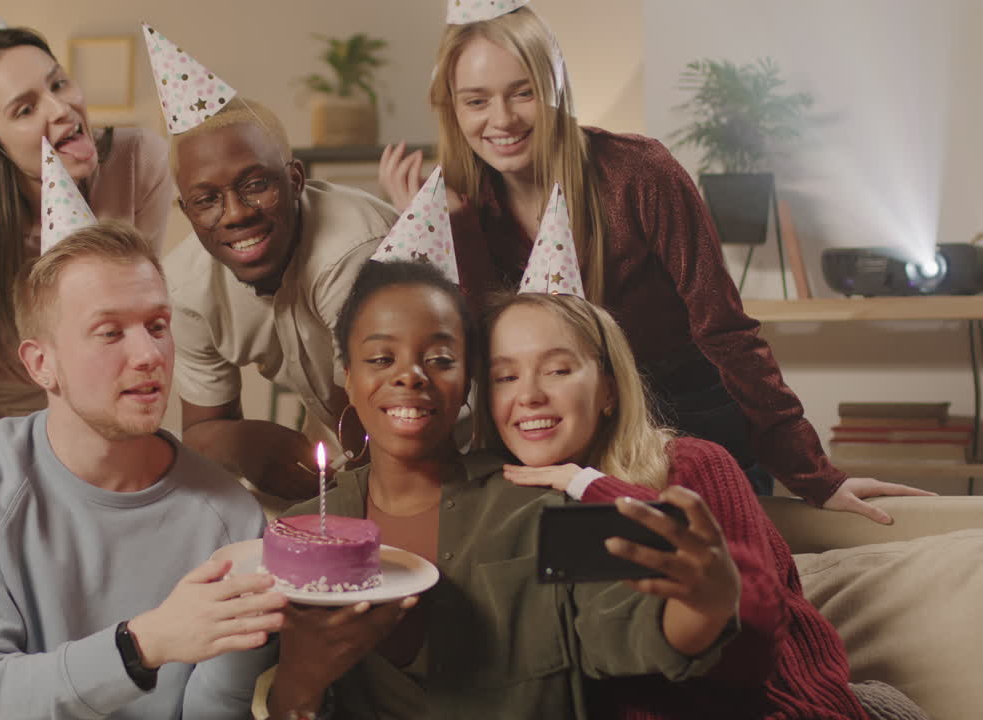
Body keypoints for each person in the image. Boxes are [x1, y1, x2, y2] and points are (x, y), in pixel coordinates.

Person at [378, 2, 931, 521]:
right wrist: (452, 233)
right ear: (453, 108)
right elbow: (487, 343)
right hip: (562, 429)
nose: (502, 119)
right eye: (477, 100)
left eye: (522, 93)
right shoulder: (463, 205)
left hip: (686, 420)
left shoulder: (638, 172)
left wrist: (817, 477)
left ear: (556, 89)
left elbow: (727, 331)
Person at [262, 260, 742, 719]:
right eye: (381, 358)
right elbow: (280, 703)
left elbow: (633, 630)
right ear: (348, 376)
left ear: (468, 380)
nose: (410, 375)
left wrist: (705, 601)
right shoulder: (297, 541)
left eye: (440, 359)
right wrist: (298, 683)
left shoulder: (545, 503)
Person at [0, 221, 284, 719]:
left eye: (158, 326)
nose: (148, 355)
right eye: (110, 333)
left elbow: (213, 710)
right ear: (41, 364)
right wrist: (144, 643)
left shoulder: (233, 520)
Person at [486, 291, 935, 719]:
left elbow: (754, 644)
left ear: (608, 390)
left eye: (558, 370)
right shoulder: (492, 506)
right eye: (505, 376)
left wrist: (591, 484)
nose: (528, 395)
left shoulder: (695, 464)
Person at [0, 19, 173, 457]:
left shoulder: (138, 164)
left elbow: (132, 310)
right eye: (24, 109)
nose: (60, 109)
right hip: (0, 457)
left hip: (103, 438)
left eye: (58, 83)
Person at [164, 98, 397, 498]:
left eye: (255, 185)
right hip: (344, 462)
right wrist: (246, 442)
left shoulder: (352, 250)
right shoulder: (185, 288)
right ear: (186, 212)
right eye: (206, 200)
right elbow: (200, 434)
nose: (236, 214)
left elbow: (376, 420)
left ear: (295, 180)